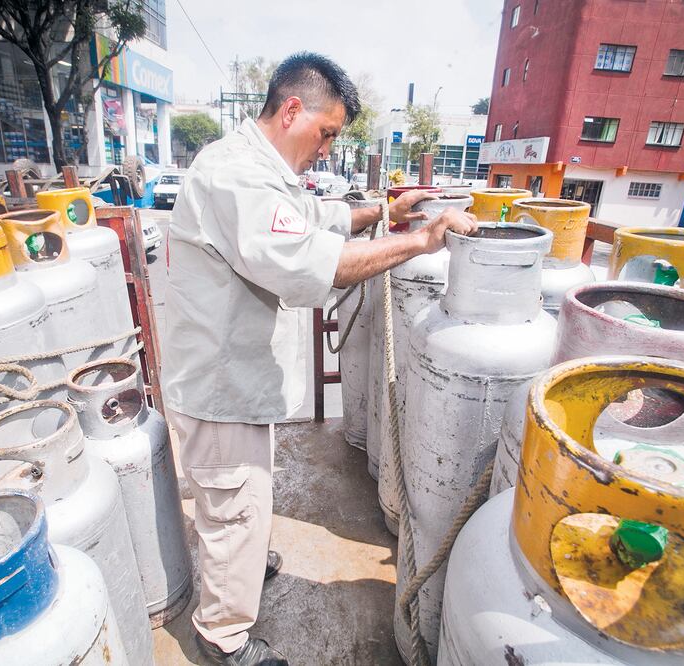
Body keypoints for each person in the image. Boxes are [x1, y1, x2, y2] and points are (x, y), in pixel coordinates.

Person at [162, 51, 478, 666]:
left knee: (240, 497)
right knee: (232, 502)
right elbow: (315, 260)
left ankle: (244, 560)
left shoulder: (260, 167)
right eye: (327, 132)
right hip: (219, 385)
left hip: (238, 380)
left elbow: (314, 217)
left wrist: (387, 212)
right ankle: (222, 636)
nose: (329, 147)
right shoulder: (233, 176)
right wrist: (419, 240)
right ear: (291, 110)